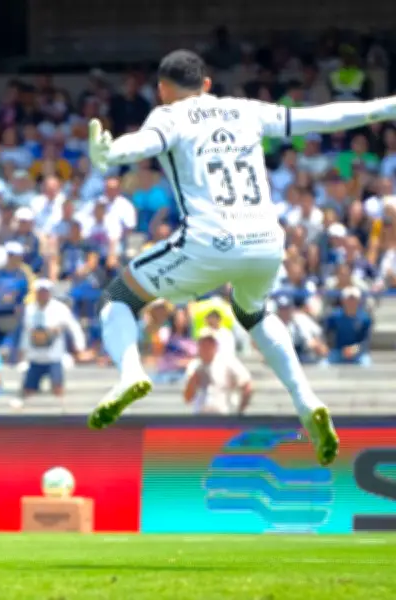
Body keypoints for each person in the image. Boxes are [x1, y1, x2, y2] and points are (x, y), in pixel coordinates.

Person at [87, 49, 396, 465]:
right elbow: (322, 117)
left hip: (210, 241)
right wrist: (386, 107)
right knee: (253, 312)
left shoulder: (168, 116)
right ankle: (305, 398)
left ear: (162, 90)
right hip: (266, 243)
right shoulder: (245, 110)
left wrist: (109, 153)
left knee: (119, 296)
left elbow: (141, 145)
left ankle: (130, 374)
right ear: (207, 85)